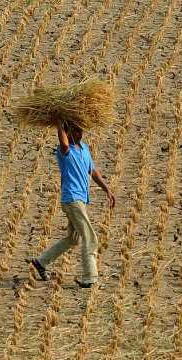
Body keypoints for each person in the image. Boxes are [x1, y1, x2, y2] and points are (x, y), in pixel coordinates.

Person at [28, 121, 115, 288]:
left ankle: (41, 262)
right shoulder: (64, 151)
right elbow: (63, 142)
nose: (80, 133)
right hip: (72, 199)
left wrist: (107, 189)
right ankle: (90, 277)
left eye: (80, 130)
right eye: (75, 130)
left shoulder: (84, 149)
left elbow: (94, 172)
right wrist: (58, 124)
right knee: (90, 237)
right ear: (68, 133)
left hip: (80, 199)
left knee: (73, 239)